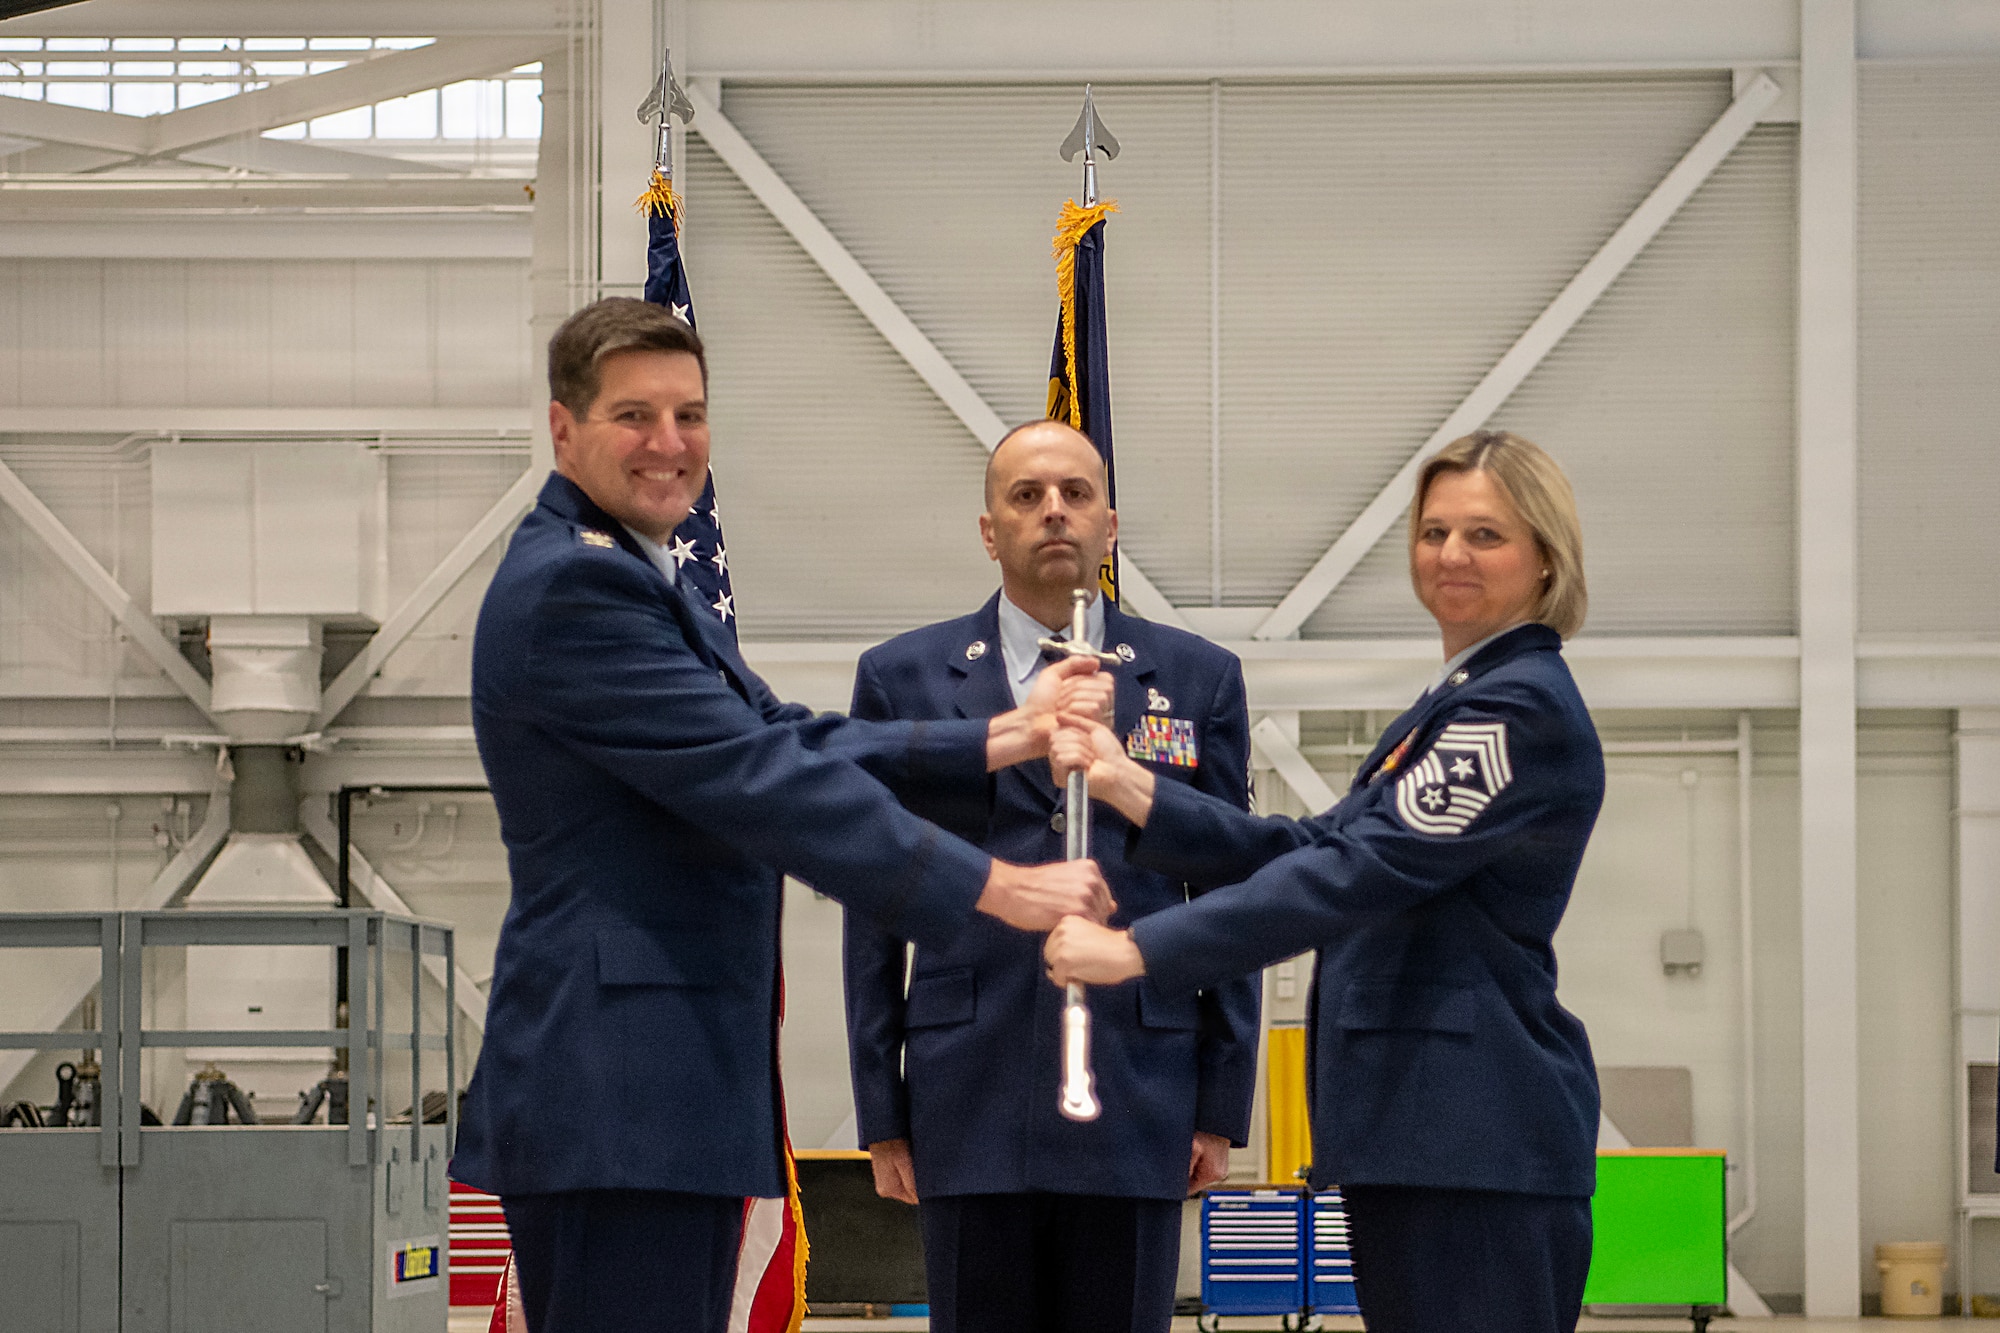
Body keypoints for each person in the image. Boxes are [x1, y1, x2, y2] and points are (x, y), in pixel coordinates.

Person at [452, 298, 1116, 1333]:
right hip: (616, 1092)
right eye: (634, 415)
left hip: (661, 1092)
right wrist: (995, 886)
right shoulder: (576, 587)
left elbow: (789, 736)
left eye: (690, 414)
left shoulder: (633, 574)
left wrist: (999, 737)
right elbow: (760, 778)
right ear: (563, 428)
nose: (669, 444)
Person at [1045, 429, 1604, 1333]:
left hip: (1473, 1143)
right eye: (1434, 532)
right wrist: (1134, 788)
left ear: (1547, 559)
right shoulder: (1460, 700)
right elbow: (1309, 844)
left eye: (1486, 535)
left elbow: (1355, 872)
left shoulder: (1517, 708)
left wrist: (1137, 949)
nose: (1451, 554)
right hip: (1427, 1139)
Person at [842, 419, 1261, 1333]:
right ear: (989, 531)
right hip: (966, 1089)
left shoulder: (1195, 680)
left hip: (1139, 1085)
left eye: (1075, 493)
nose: (1054, 512)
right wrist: (883, 1109)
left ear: (1111, 524)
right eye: (1026, 496)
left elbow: (1230, 895)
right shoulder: (901, 679)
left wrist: (1222, 1103)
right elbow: (874, 903)